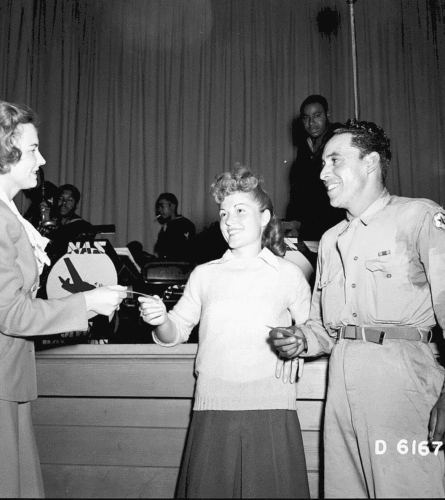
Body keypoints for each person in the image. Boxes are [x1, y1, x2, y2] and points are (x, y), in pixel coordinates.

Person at [0, 97, 127, 498]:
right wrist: (89, 303)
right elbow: (11, 312)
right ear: (1, 155)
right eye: (31, 149)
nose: (41, 159)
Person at [271, 120, 445, 498]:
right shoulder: (331, 240)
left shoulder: (419, 217)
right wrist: (301, 339)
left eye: (335, 160)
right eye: (321, 163)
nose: (322, 172)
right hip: (342, 387)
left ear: (370, 163)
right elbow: (324, 327)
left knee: (410, 489)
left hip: (403, 385)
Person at [139, 167, 311, 498]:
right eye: (223, 213)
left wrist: (299, 342)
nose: (228, 220)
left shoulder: (289, 274)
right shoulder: (204, 275)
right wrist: (159, 319)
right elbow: (174, 332)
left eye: (240, 210)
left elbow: (314, 331)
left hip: (272, 405)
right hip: (212, 406)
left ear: (265, 218)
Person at [286, 94, 345, 241]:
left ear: (327, 115)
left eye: (317, 115)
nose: (311, 123)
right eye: (306, 118)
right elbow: (301, 190)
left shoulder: (340, 137)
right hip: (311, 224)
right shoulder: (305, 146)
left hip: (336, 221)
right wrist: (294, 222)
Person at [154, 192, 196, 262]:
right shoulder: (165, 226)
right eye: (159, 207)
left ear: (173, 206)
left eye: (162, 206)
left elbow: (185, 252)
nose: (159, 210)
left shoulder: (185, 224)